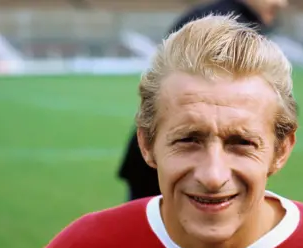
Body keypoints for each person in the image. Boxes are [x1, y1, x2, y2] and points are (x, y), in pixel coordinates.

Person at [24, 15, 303, 248]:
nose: (213, 175)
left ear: (281, 149)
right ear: (147, 144)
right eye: (188, 139)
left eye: (241, 142)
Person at [118, 0, 288, 201]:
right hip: (153, 171)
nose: (281, 4)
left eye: (242, 142)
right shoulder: (222, 23)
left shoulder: (238, 21)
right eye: (190, 139)